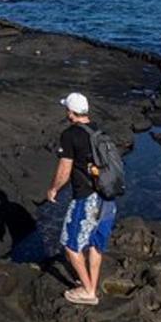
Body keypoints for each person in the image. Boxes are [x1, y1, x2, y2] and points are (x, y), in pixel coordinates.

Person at [46, 92, 117, 306]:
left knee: (70, 246)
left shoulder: (70, 135)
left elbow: (65, 169)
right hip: (108, 196)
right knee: (95, 244)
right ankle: (91, 285)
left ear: (70, 112)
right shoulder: (99, 131)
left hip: (87, 198)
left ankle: (87, 291)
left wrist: (53, 189)